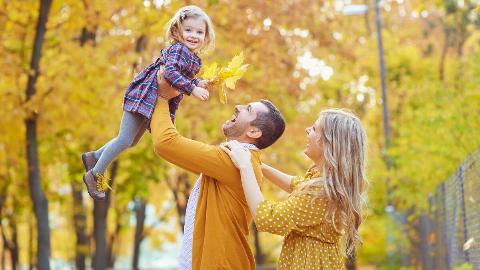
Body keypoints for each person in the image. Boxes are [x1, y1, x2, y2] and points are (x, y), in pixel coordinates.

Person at [81, 5, 215, 200]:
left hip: (152, 99)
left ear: (206, 35)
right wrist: (192, 89)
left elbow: (181, 76)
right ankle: (95, 174)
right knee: (125, 139)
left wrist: (198, 83)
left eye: (199, 32)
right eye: (188, 30)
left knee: (132, 141)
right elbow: (170, 73)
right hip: (145, 95)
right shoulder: (179, 49)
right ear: (177, 31)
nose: (194, 35)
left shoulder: (191, 57)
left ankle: (93, 157)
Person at [151, 75, 285, 269]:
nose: (238, 106)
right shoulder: (238, 159)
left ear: (254, 132)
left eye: (248, 109)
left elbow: (165, 143)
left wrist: (162, 98)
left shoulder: (235, 161)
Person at [221, 109, 368, 269]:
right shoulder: (322, 182)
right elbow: (296, 184)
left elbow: (267, 219)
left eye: (314, 129)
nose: (307, 129)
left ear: (329, 143)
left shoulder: (320, 192)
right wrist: (258, 165)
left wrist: (245, 167)